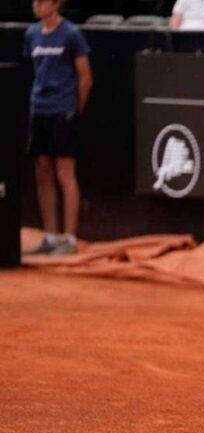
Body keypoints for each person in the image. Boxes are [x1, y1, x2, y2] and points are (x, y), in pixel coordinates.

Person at [23, 0, 92, 256]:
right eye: (35, 1)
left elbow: (85, 79)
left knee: (65, 173)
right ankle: (50, 237)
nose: (36, 6)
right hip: (38, 110)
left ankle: (70, 239)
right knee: (42, 172)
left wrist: (73, 110)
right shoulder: (31, 34)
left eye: (42, 1)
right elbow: (35, 73)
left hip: (63, 111)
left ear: (56, 4)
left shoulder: (72, 34)